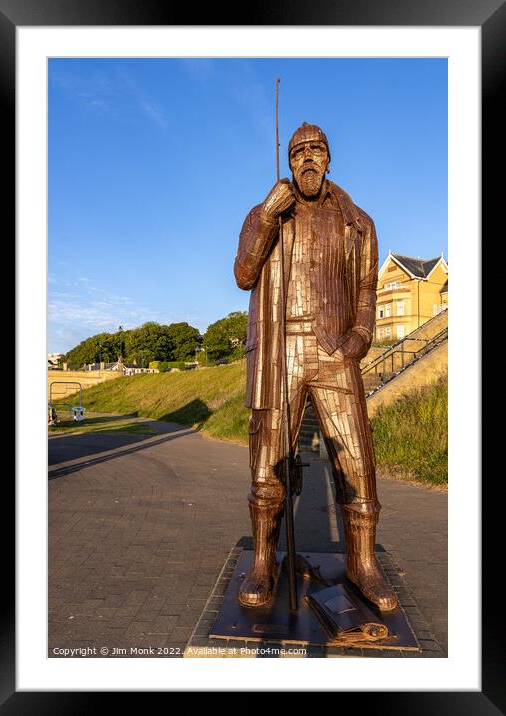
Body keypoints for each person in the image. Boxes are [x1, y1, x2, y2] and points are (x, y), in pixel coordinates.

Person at [234, 122, 397, 611]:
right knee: (267, 462)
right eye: (299, 151)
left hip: (334, 352)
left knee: (356, 460)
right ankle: (263, 561)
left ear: (330, 159)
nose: (308, 158)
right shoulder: (267, 214)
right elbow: (244, 274)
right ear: (288, 162)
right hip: (280, 350)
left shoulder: (358, 223)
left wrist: (360, 337)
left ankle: (363, 564)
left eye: (317, 150)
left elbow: (367, 292)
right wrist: (266, 215)